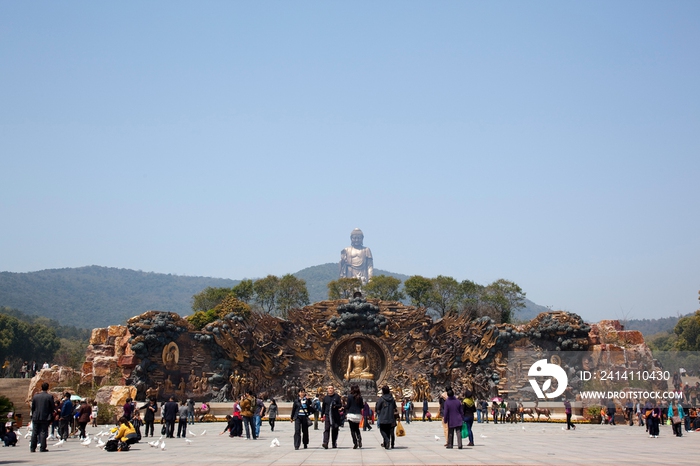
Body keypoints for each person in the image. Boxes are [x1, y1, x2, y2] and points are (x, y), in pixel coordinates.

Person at [30, 382, 55, 452]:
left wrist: (33, 415)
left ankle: (32, 448)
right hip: (45, 417)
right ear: (48, 388)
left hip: (36, 416)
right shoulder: (49, 397)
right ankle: (42, 447)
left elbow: (33, 407)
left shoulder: (35, 396)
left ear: (41, 387)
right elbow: (52, 407)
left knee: (34, 432)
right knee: (43, 432)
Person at [375, 385, 397, 450]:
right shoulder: (392, 399)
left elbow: (378, 407)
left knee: (382, 430)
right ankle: (386, 444)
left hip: (383, 417)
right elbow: (394, 407)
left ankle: (387, 441)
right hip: (391, 417)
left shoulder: (381, 399)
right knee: (388, 430)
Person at [321, 384, 342, 449]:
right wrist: (322, 415)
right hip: (327, 415)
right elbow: (323, 407)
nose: (330, 389)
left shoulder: (337, 397)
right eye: (329, 388)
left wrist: (335, 406)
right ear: (327, 390)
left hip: (335, 415)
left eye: (331, 388)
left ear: (333, 389)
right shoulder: (325, 398)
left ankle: (334, 442)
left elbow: (340, 405)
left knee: (335, 429)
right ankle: (325, 442)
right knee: (326, 429)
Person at [345, 384, 364, 449]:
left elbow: (347, 406)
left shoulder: (350, 397)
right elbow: (362, 406)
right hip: (358, 415)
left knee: (352, 430)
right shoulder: (360, 397)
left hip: (351, 415)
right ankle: (359, 439)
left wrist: (344, 407)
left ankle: (355, 443)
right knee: (357, 428)